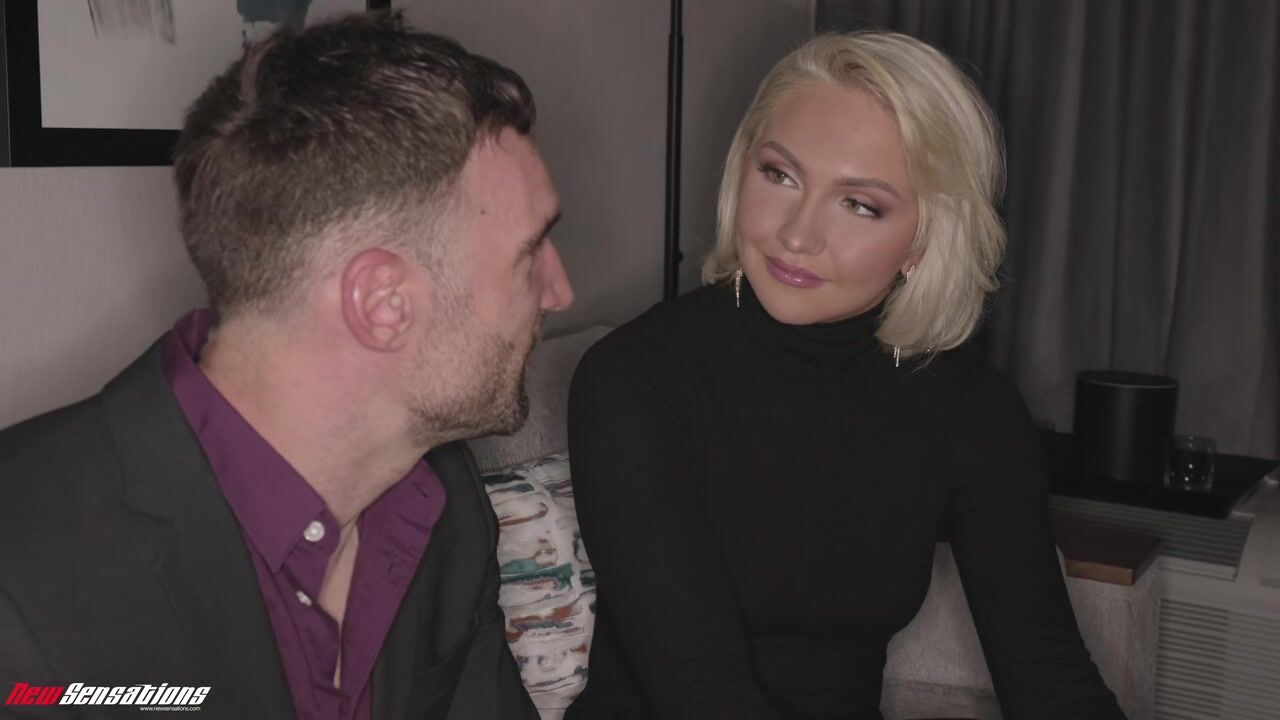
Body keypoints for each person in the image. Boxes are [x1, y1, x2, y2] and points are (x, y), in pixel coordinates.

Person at [0, 13, 573, 720]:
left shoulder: (442, 497)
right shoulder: (21, 575)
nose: (559, 291)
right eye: (530, 254)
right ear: (383, 304)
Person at [566, 32, 1126, 720]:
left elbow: (1049, 673)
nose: (797, 235)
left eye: (860, 204)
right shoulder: (634, 379)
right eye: (780, 175)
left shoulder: (972, 410)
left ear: (925, 239)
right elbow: (702, 691)